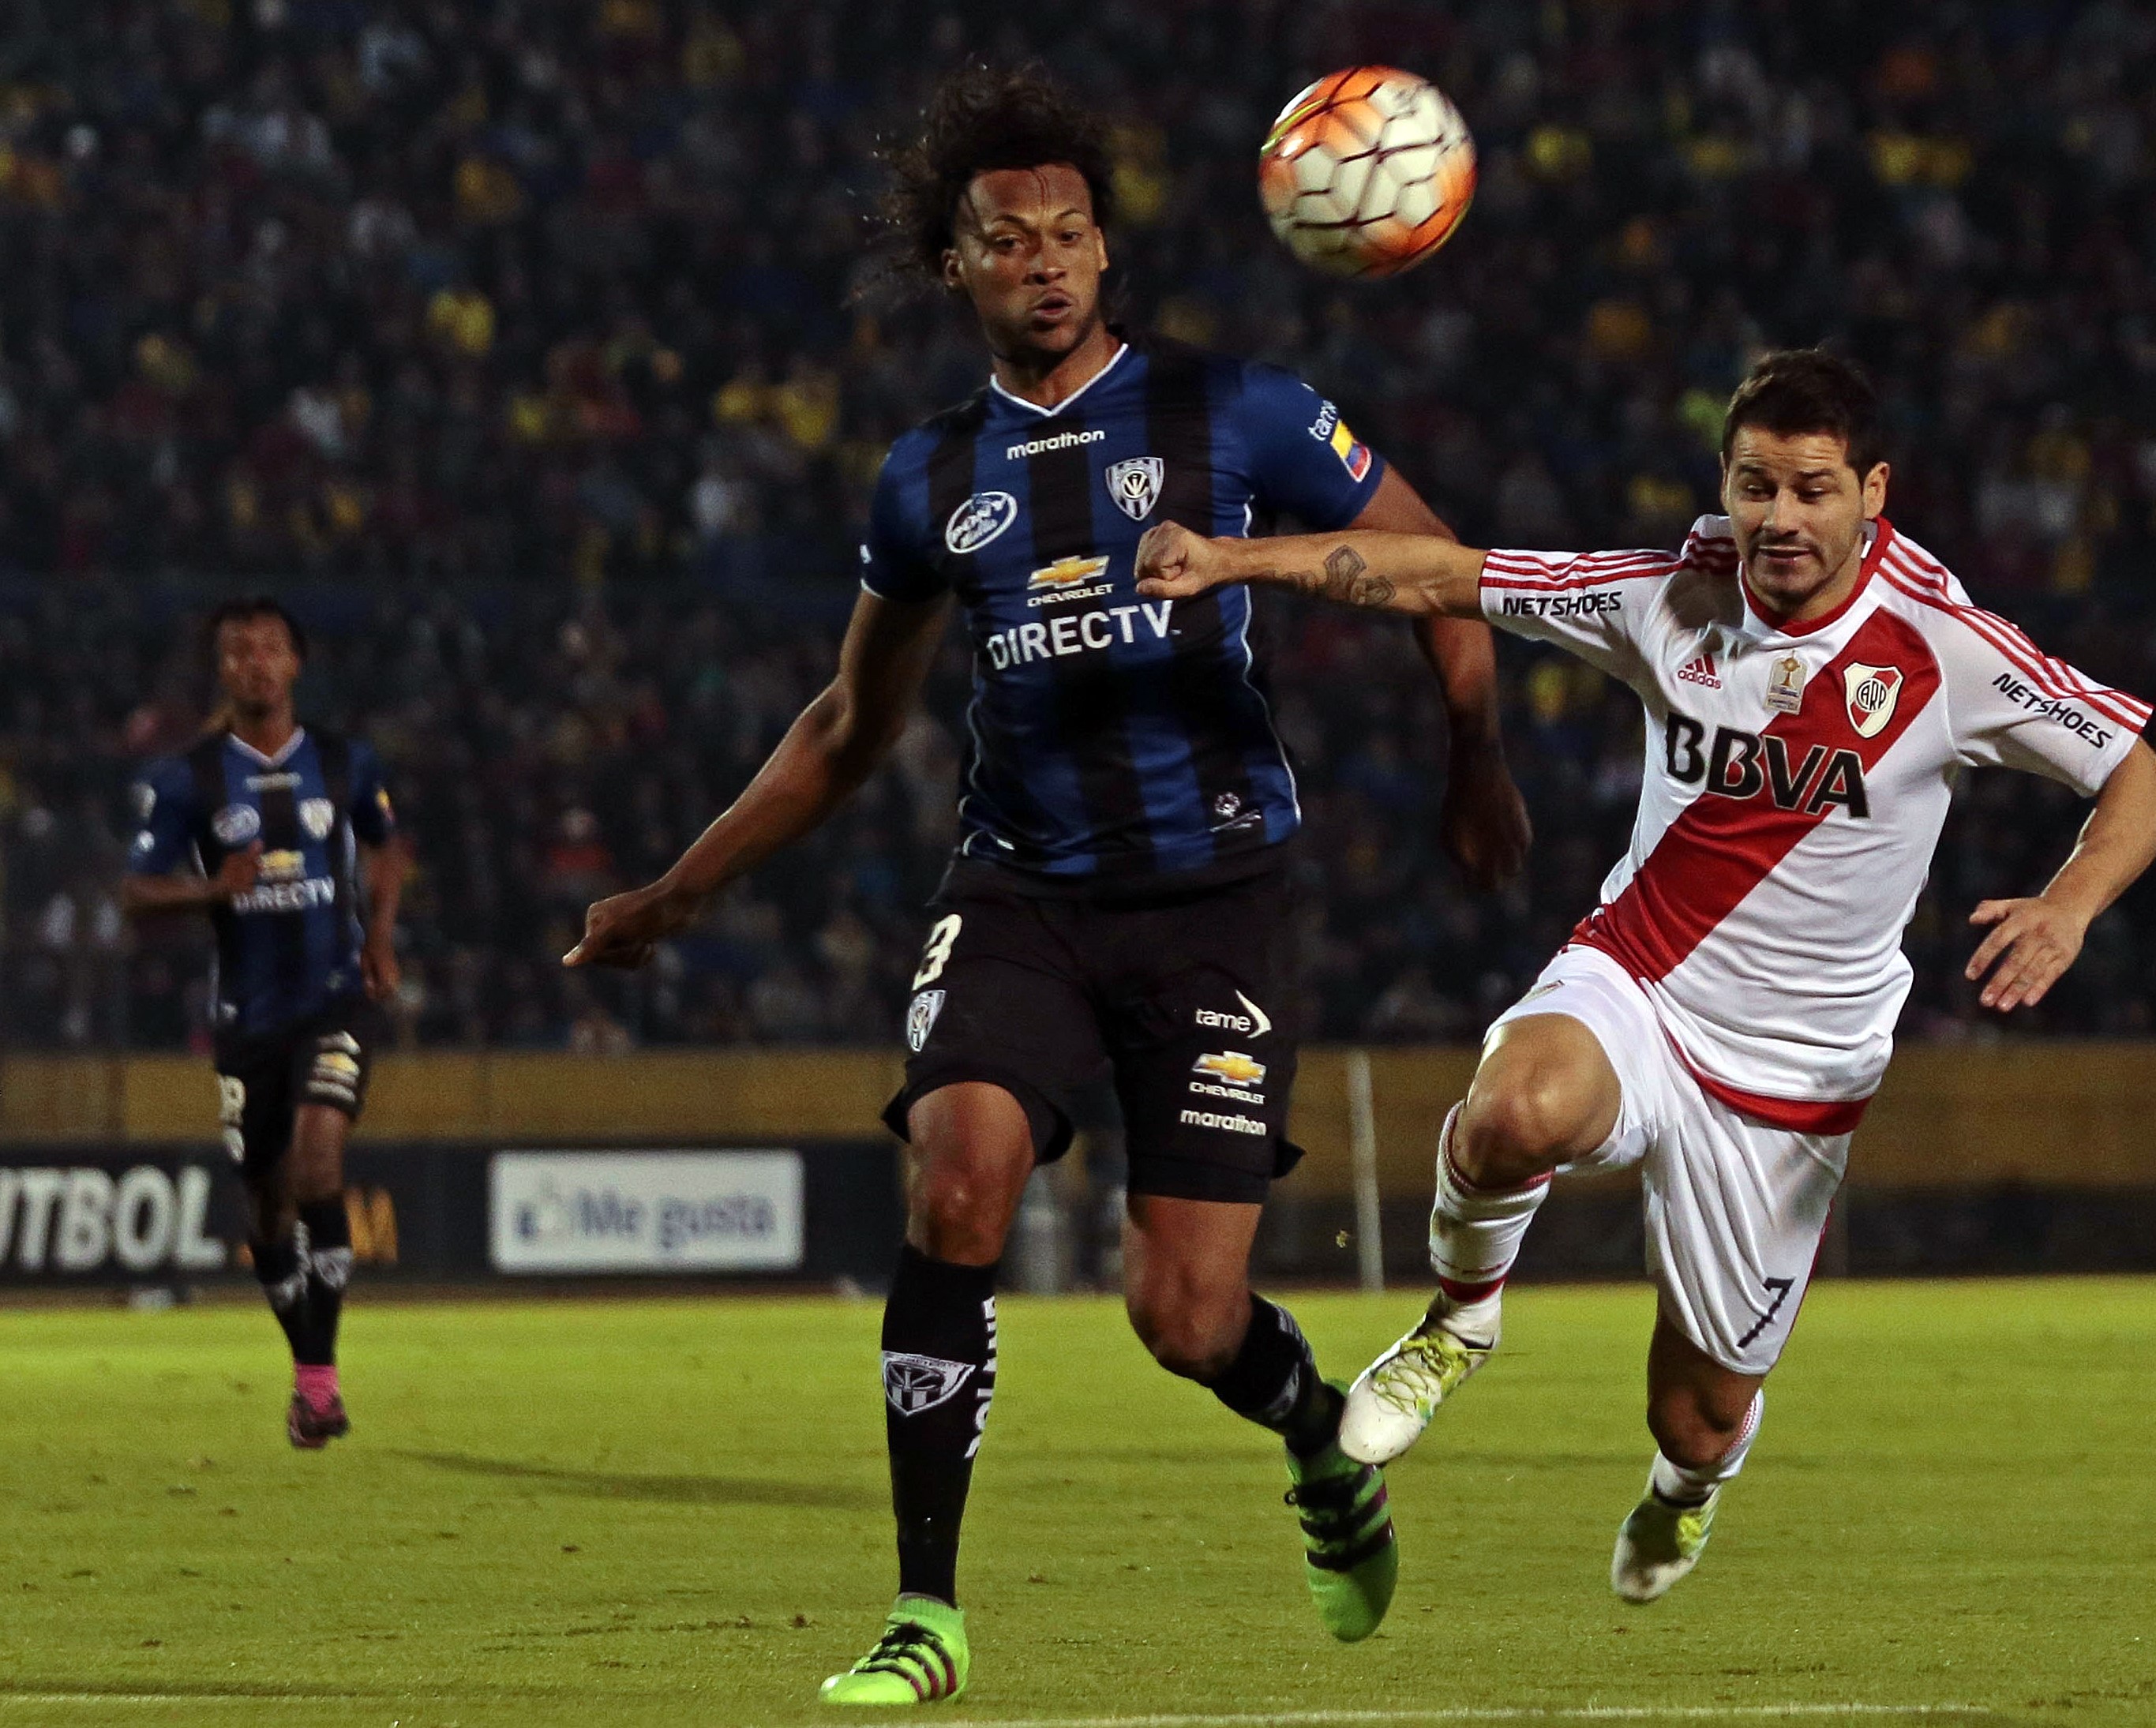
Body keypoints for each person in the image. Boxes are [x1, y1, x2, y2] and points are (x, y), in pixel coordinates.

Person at [565, 65, 1527, 1704]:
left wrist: (1471, 751)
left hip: (1215, 895)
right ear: (958, 265)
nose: (1047, 259)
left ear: (1104, 250)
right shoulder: (929, 477)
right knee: (956, 1175)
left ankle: (1314, 1439)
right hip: (1019, 885)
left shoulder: (1243, 411)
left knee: (1182, 1309)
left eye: (1071, 231)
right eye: (1009, 239)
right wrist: (676, 889)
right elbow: (846, 726)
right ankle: (926, 1611)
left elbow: (1448, 572)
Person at [1134, 348, 2156, 1602]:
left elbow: (2141, 779)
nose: (1777, 520)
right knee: (1513, 1110)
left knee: (1695, 1418)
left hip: (1794, 1076)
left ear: (1872, 493)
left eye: (1810, 490)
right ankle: (1458, 1323)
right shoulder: (1664, 596)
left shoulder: (1943, 648)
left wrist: (2069, 908)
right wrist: (1233, 559)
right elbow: (1442, 575)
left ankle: (1683, 1496)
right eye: (1753, 486)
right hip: (1639, 982)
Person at [122, 598, 403, 1449]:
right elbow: (137, 890)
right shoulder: (187, 778)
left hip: (333, 1000)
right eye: (238, 652)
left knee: (321, 1163)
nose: (255, 663)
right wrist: (212, 887)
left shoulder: (346, 760)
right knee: (267, 1207)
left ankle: (320, 1383)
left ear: (295, 664)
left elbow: (386, 846)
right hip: (247, 1017)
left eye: (269, 649)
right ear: (223, 670)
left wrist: (380, 934)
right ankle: (305, 1368)